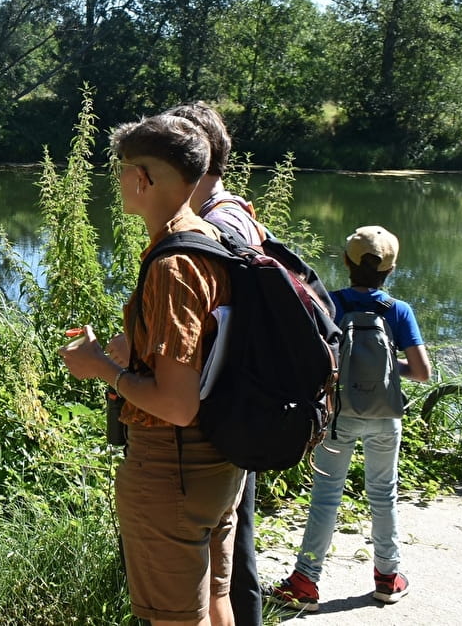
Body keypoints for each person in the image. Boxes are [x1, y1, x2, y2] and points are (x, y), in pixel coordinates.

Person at [58, 114, 244, 626]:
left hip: (173, 467)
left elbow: (177, 405)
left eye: (120, 170)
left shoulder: (172, 265)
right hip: (217, 459)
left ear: (142, 178)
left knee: (175, 620)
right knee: (213, 602)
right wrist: (130, 349)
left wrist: (102, 369)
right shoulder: (210, 238)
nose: (117, 181)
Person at [272, 225, 433, 612]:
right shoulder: (398, 311)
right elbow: (422, 371)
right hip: (385, 417)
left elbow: (312, 358)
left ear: (346, 262)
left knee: (326, 498)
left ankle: (305, 583)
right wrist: (387, 372)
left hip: (338, 415)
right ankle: (388, 578)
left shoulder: (331, 303)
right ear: (391, 270)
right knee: (384, 494)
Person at [164, 101, 268, 626]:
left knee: (230, 558)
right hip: (228, 408)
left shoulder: (217, 226)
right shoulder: (227, 217)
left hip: (222, 415)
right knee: (224, 554)